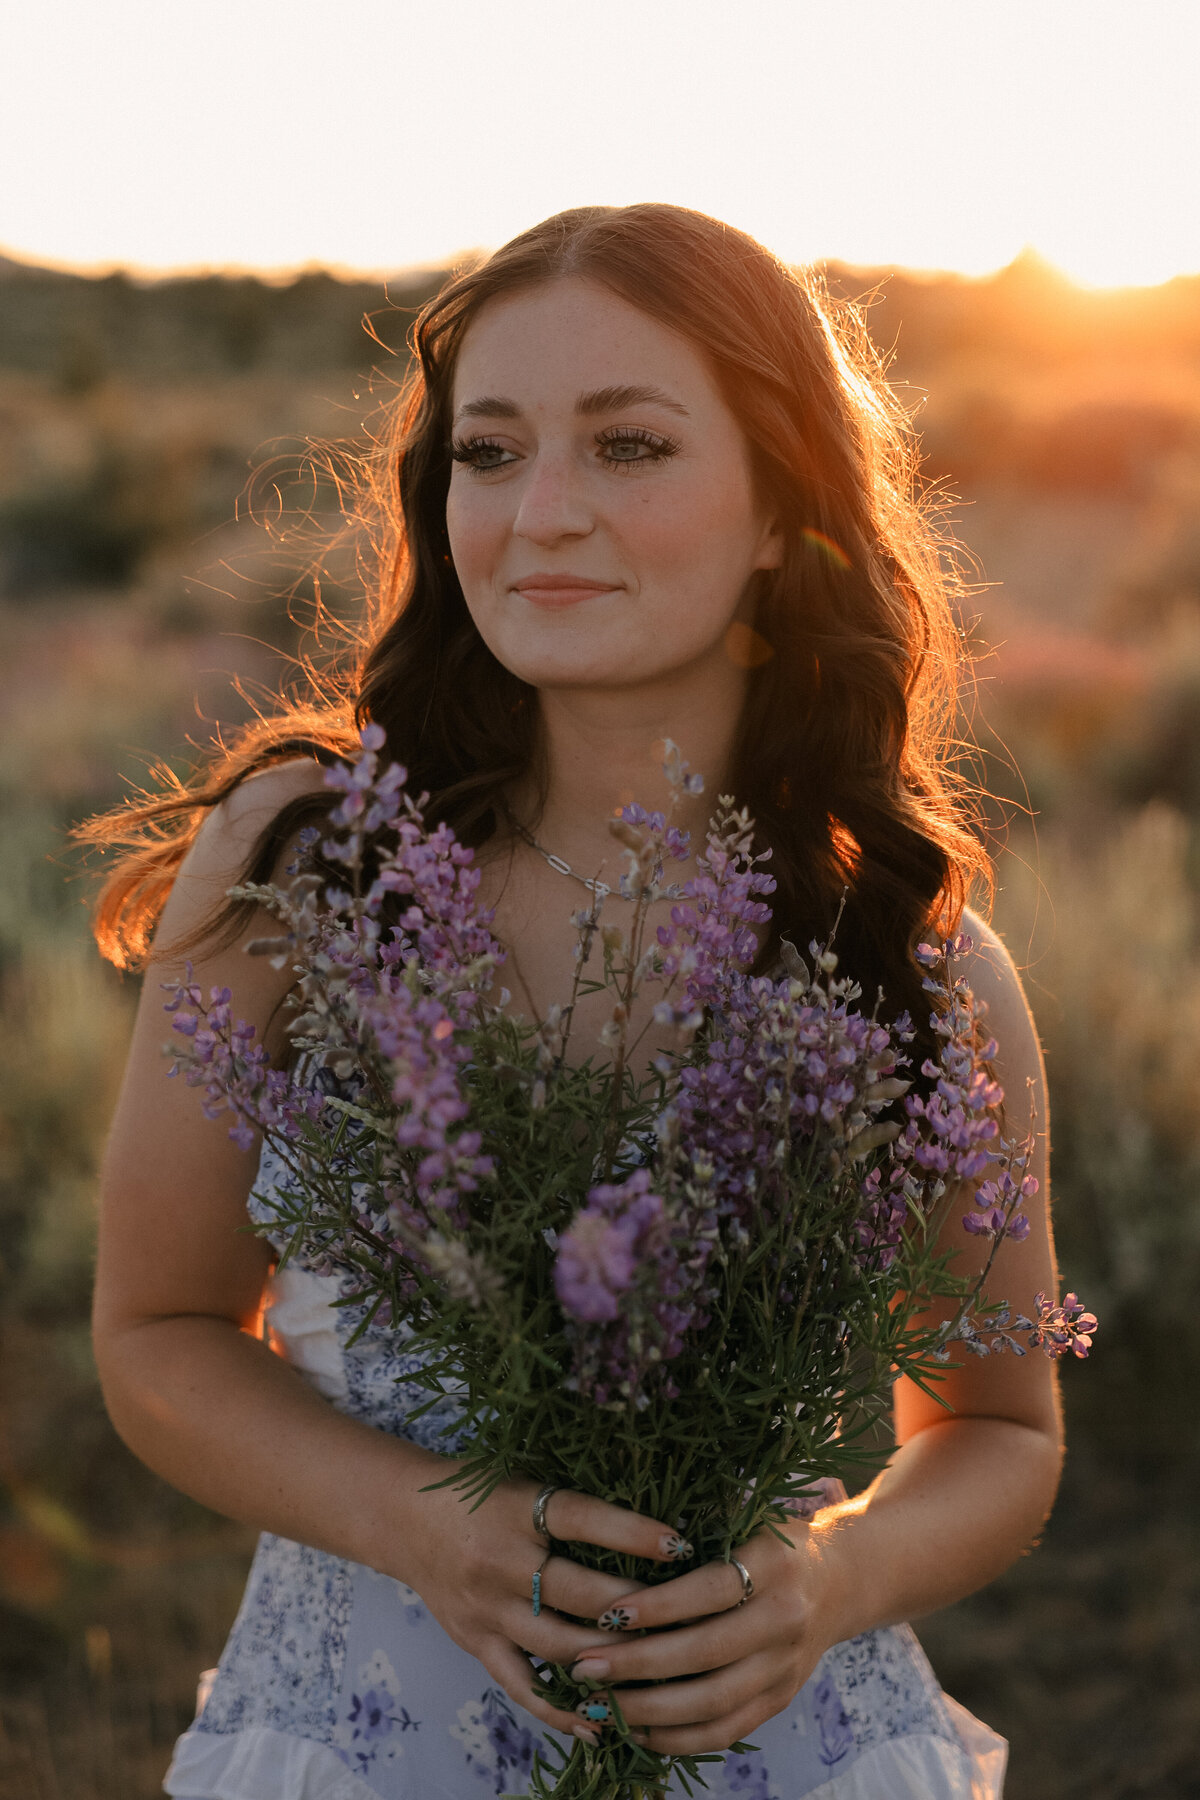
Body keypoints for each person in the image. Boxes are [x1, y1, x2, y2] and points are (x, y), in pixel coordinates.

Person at [85, 204, 1061, 1799]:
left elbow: (1001, 1429)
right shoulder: (305, 867)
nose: (541, 513)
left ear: (782, 507)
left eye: (629, 445)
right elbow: (156, 1334)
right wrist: (423, 1524)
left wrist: (830, 1581)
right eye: (490, 451)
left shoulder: (908, 956)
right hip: (357, 1750)